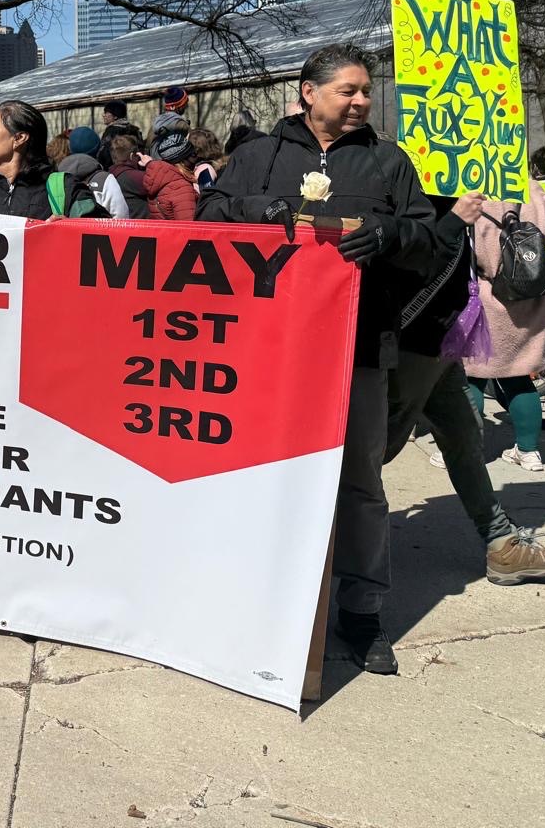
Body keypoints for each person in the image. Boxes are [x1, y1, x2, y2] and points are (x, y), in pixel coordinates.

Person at [198, 43, 437, 674]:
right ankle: (248, 595)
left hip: (357, 348)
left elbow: (430, 243)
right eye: (348, 91)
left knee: (360, 484)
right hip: (262, 352)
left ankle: (361, 615)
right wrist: (252, 210)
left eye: (365, 91)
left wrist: (393, 235)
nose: (361, 101)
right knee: (252, 472)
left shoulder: (389, 161)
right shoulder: (256, 156)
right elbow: (206, 218)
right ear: (309, 92)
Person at [384, 190, 545, 585]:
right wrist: (455, 218)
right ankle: (330, 545)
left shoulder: (502, 182)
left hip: (452, 333)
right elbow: (409, 248)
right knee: (377, 448)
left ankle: (502, 544)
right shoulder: (415, 178)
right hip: (419, 335)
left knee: (464, 435)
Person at [464, 181, 545, 471]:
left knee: (471, 376)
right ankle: (528, 451)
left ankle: (463, 450)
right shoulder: (528, 185)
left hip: (484, 295)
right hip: (529, 296)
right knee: (518, 376)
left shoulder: (470, 188)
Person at [56, 127, 130, 218]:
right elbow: (121, 217)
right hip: (101, 232)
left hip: (66, 231)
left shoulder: (57, 179)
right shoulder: (104, 179)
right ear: (97, 149)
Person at [144, 128, 197, 220]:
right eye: (192, 155)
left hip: (160, 233)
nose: (195, 160)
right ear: (183, 159)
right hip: (179, 234)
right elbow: (188, 228)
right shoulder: (182, 188)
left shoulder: (158, 178)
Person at [106, 134, 151, 218]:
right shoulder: (136, 177)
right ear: (131, 156)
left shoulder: (109, 176)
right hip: (143, 226)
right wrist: (151, 164)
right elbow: (162, 183)